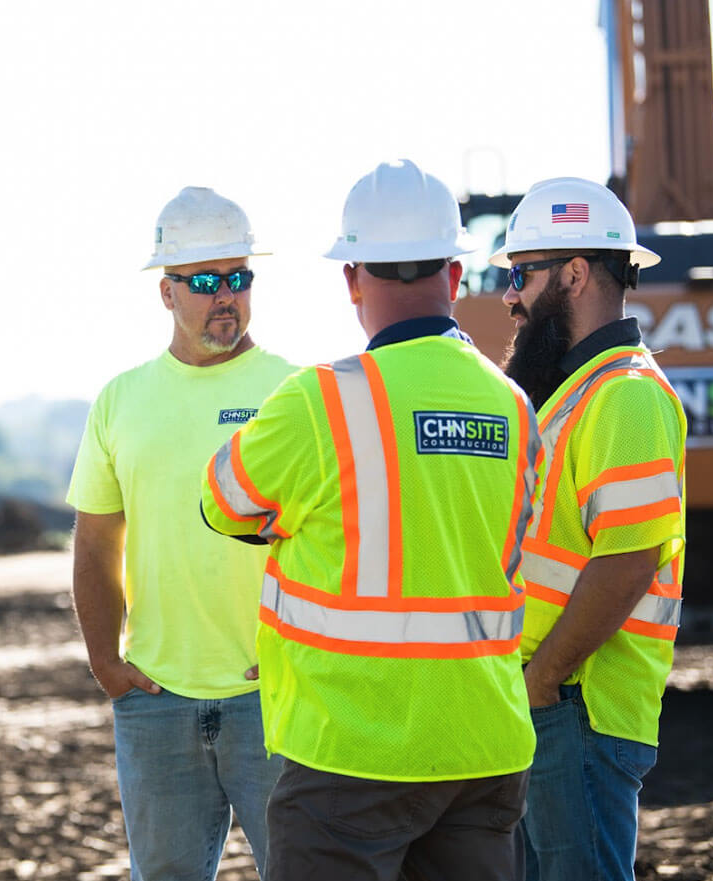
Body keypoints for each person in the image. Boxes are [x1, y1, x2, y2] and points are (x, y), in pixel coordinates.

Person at [201, 160, 541, 881]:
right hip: (484, 748)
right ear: (454, 276)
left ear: (352, 279)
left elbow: (222, 502)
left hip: (347, 757)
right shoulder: (515, 408)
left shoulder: (319, 401)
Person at [67, 186, 295, 879]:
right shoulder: (121, 400)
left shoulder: (295, 392)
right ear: (166, 292)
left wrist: (302, 657)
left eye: (238, 277)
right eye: (204, 281)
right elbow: (96, 543)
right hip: (157, 702)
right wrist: (106, 662)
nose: (225, 295)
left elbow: (337, 542)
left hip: (276, 696)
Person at [490, 177, 687, 881]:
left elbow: (629, 561)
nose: (508, 295)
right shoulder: (576, 391)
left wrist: (542, 678)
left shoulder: (624, 394)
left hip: (578, 706)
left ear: (574, 275)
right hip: (555, 704)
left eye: (519, 273)